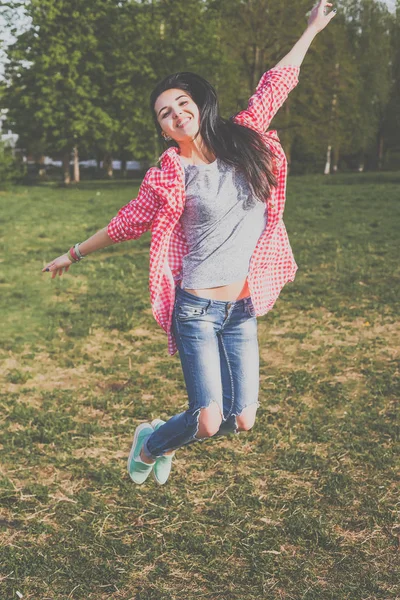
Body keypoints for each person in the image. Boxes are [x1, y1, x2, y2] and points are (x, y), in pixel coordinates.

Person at [42, 1, 336, 485]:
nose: (176, 114)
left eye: (181, 104)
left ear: (198, 104)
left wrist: (311, 29)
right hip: (196, 309)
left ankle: (163, 436)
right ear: (160, 127)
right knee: (206, 419)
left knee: (241, 419)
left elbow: (277, 83)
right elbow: (126, 223)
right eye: (164, 113)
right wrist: (71, 254)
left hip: (240, 308)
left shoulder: (246, 139)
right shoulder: (169, 175)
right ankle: (151, 442)